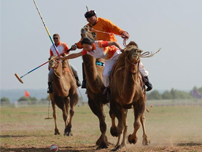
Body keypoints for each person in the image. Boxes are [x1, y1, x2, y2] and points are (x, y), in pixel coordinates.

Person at [61, 38, 153, 91]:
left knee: (136, 62)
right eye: (84, 47)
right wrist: (63, 58)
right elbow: (76, 55)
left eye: (86, 46)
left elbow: (113, 42)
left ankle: (146, 80)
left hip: (117, 54)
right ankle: (109, 89)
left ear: (91, 44)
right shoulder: (86, 51)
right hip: (109, 60)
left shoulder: (99, 44)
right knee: (105, 75)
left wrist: (120, 49)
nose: (85, 49)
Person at [70, 10, 129, 88]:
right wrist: (76, 45)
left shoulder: (104, 22)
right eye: (88, 19)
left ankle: (143, 78)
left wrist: (122, 32)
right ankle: (86, 80)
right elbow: (83, 41)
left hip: (109, 47)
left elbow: (114, 28)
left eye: (91, 18)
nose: (89, 20)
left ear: (95, 16)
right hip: (96, 49)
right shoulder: (87, 28)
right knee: (86, 59)